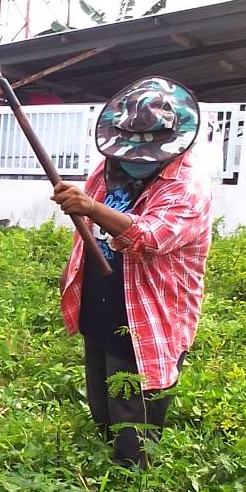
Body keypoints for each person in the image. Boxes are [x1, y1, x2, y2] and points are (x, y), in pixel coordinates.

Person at [52, 77, 211, 469]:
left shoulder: (186, 186)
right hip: (102, 299)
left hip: (148, 314)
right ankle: (102, 468)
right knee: (102, 395)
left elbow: (151, 236)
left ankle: (130, 486)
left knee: (134, 412)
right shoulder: (110, 170)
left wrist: (90, 207)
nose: (134, 157)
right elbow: (88, 227)